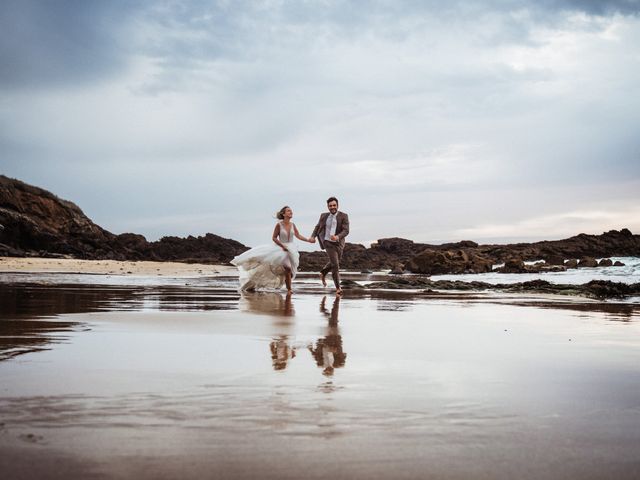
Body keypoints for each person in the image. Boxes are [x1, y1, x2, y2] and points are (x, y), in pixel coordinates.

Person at [231, 206, 313, 293]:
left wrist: (308, 240)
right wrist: (282, 246)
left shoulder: (293, 225)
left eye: (291, 211)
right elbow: (274, 238)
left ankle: (287, 286)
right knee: (288, 268)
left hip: (291, 250)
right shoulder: (279, 225)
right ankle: (289, 290)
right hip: (281, 249)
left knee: (290, 272)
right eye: (288, 211)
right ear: (284, 214)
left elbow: (298, 235)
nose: (291, 212)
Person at [309, 197, 350, 295]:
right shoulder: (323, 216)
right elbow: (318, 227)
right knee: (335, 265)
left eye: (334, 205)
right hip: (327, 242)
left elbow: (346, 230)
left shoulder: (344, 216)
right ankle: (338, 288)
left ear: (337, 205)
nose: (332, 207)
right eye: (330, 206)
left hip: (339, 243)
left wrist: (337, 237)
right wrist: (313, 236)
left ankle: (323, 273)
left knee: (334, 262)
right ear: (328, 206)